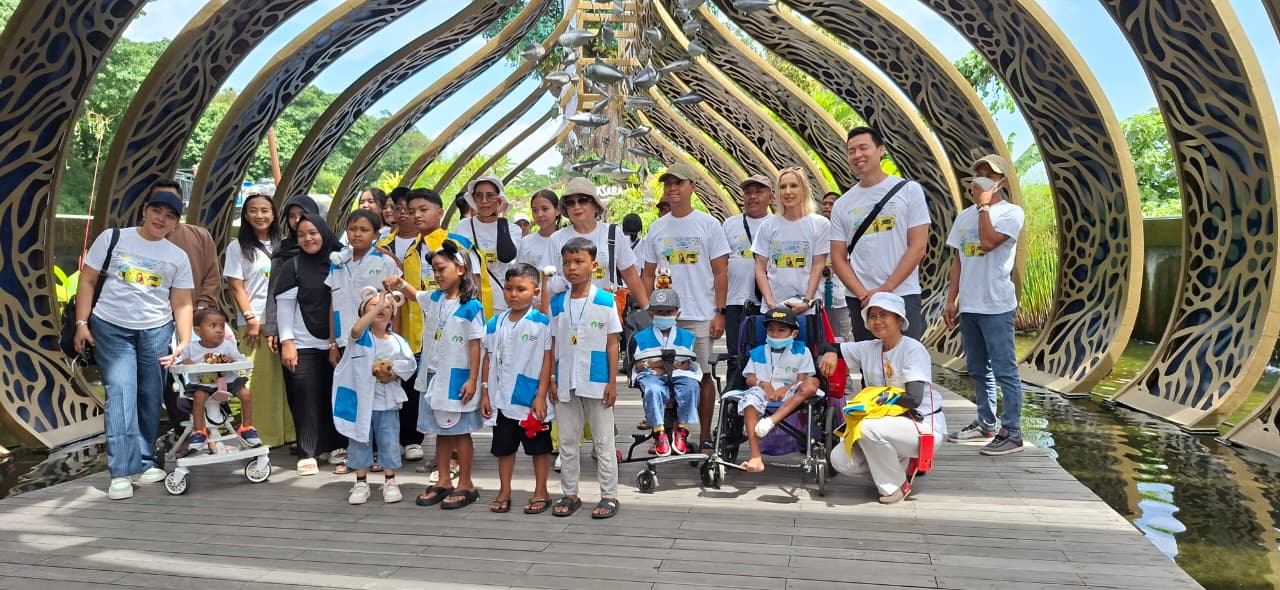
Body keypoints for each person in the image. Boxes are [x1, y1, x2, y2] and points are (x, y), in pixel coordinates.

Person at [73, 189, 194, 500]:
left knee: (150, 395)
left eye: (169, 216)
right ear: (144, 210)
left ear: (175, 225)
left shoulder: (177, 257)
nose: (161, 219)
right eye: (157, 211)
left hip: (155, 330)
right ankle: (121, 471)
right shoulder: (113, 238)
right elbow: (87, 280)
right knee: (121, 391)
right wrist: (82, 323)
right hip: (111, 327)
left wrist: (184, 340)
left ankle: (144, 460)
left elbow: (181, 301)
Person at [817, 292, 946, 504]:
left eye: (884, 315)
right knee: (839, 459)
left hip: (920, 425)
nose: (877, 321)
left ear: (899, 320)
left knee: (868, 428)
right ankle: (898, 466)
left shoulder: (913, 350)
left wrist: (876, 398)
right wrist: (830, 353)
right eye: (873, 316)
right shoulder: (868, 347)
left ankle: (896, 485)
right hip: (885, 425)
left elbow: (913, 398)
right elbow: (828, 345)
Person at [641, 163, 731, 453]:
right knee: (662, 373)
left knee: (703, 374)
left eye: (678, 183)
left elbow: (720, 271)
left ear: (692, 186)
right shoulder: (657, 227)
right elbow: (647, 274)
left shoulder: (708, 224)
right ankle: (667, 435)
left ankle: (704, 436)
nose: (672, 188)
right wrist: (648, 310)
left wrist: (720, 311)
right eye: (667, 183)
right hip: (664, 318)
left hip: (700, 314)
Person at [392, 240, 485, 510]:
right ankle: (444, 479)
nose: (437, 275)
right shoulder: (434, 298)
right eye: (434, 270)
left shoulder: (471, 306)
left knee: (460, 431)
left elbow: (476, 344)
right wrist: (397, 282)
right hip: (433, 375)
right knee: (439, 431)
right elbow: (412, 294)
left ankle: (466, 482)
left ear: (460, 268)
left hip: (458, 378)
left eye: (442, 269)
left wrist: (473, 379)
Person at [944, 155, 1026, 456]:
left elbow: (990, 242)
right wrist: (951, 299)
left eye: (989, 174)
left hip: (997, 305)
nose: (981, 178)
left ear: (1001, 181)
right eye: (977, 173)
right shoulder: (963, 216)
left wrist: (984, 206)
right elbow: (958, 259)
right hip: (970, 305)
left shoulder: (1011, 213)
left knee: (1005, 369)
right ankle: (986, 422)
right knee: (978, 369)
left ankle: (1013, 432)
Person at [829, 126, 931, 341]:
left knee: (906, 366)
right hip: (861, 299)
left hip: (902, 293)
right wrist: (863, 294)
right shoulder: (842, 204)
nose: (857, 155)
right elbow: (838, 258)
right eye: (851, 151)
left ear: (881, 150)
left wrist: (886, 289)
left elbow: (918, 246)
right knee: (870, 366)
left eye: (863, 148)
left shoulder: (909, 191)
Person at [549, 237, 622, 519]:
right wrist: (554, 378)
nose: (572, 268)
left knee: (603, 441)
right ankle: (570, 493)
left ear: (593, 265)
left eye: (578, 262)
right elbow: (553, 342)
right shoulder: (557, 302)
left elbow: (612, 343)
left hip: (598, 378)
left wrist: (613, 382)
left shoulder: (605, 300)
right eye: (566, 262)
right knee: (567, 440)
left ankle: (609, 495)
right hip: (566, 377)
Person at [479, 264, 555, 514]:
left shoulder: (542, 323)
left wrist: (541, 395)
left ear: (535, 291)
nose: (513, 294)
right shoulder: (494, 322)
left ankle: (541, 490)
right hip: (502, 398)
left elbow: (547, 360)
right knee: (504, 447)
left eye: (521, 289)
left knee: (539, 448)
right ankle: (504, 489)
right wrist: (486, 391)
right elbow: (488, 357)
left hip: (531, 397)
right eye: (509, 288)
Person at [275, 214, 347, 476]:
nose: (308, 238)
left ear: (325, 233)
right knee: (304, 393)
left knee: (336, 393)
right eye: (302, 234)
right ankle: (308, 451)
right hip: (303, 340)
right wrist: (287, 342)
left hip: (338, 341)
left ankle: (338, 444)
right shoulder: (292, 266)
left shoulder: (341, 260)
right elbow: (284, 307)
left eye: (314, 232)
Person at [150, 180, 222, 440]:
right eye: (158, 205)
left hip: (193, 320)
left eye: (171, 205)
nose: (163, 213)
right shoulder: (140, 239)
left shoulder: (198, 235)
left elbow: (213, 276)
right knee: (166, 380)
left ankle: (205, 430)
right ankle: (182, 431)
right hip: (155, 322)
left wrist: (201, 311)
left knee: (201, 376)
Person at [333, 291, 416, 504]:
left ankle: (390, 481)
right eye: (373, 305)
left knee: (388, 440)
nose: (380, 308)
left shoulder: (397, 341)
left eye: (386, 306)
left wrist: (393, 372)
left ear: (392, 315)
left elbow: (409, 364)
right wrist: (377, 306)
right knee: (359, 440)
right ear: (363, 312)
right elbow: (355, 329)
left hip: (386, 402)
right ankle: (361, 482)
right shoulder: (360, 338)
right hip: (360, 402)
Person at [224, 191, 292, 448]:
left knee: (282, 383)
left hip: (282, 323)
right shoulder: (238, 247)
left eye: (265, 210)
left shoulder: (284, 244)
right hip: (254, 325)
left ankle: (287, 433)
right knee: (256, 382)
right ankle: (259, 434)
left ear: (274, 215)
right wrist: (251, 318)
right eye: (253, 210)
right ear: (245, 215)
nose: (259, 215)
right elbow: (236, 286)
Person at [732, 306, 821, 473]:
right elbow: (749, 377)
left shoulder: (802, 350)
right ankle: (756, 457)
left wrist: (784, 389)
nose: (775, 334)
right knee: (749, 401)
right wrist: (764, 385)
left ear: (793, 334)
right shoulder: (758, 352)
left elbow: (802, 379)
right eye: (771, 330)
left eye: (781, 330)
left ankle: (771, 421)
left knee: (812, 383)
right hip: (761, 389)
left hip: (791, 390)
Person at [550, 176, 650, 311]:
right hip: (568, 313)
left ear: (596, 206)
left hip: (607, 312)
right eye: (570, 203)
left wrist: (646, 309)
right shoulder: (557, 239)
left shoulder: (613, 233)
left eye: (583, 200)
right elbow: (549, 282)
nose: (576, 206)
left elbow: (630, 275)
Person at [631, 289, 701, 456]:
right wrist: (660, 365)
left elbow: (686, 363)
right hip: (652, 376)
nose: (664, 316)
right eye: (660, 312)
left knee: (691, 387)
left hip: (679, 374)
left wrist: (662, 366)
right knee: (652, 389)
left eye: (669, 312)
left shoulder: (687, 336)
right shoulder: (641, 337)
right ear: (651, 314)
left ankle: (682, 430)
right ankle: (659, 432)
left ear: (677, 314)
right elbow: (639, 365)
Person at [753, 167, 831, 316]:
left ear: (804, 189)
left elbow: (818, 266)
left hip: (808, 309)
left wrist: (807, 301)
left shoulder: (820, 224)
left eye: (794, 185)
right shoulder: (768, 225)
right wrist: (770, 302)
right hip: (773, 309)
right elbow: (760, 267)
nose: (788, 192)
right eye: (783, 187)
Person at [180, 307, 259, 453]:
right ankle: (199, 431)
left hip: (227, 382)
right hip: (204, 383)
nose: (219, 330)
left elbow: (241, 359)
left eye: (222, 326)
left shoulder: (227, 346)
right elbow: (178, 361)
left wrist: (232, 359)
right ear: (198, 331)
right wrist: (185, 362)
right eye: (213, 326)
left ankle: (247, 427)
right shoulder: (191, 348)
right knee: (199, 397)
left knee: (246, 394)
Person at [722, 174, 772, 375]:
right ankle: (733, 397)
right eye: (748, 192)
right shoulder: (729, 224)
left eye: (759, 192)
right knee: (735, 354)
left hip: (768, 302)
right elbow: (720, 265)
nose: (753, 197)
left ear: (771, 196)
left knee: (765, 353)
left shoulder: (777, 223)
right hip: (735, 301)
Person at [459, 175, 521, 317]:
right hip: (471, 299)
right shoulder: (464, 226)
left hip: (500, 301)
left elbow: (506, 256)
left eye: (490, 196)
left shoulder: (512, 229)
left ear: (500, 198)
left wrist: (501, 217)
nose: (484, 201)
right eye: (479, 196)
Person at [819, 190, 851, 341]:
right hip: (817, 296)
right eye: (824, 204)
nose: (826, 207)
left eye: (831, 204)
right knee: (819, 337)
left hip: (839, 297)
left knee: (839, 339)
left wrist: (834, 268)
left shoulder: (848, 232)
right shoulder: (815, 231)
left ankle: (840, 364)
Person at [516, 189, 560, 271]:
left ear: (557, 210)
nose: (539, 215)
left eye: (545, 209)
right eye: (535, 210)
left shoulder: (566, 240)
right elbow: (520, 272)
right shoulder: (526, 242)